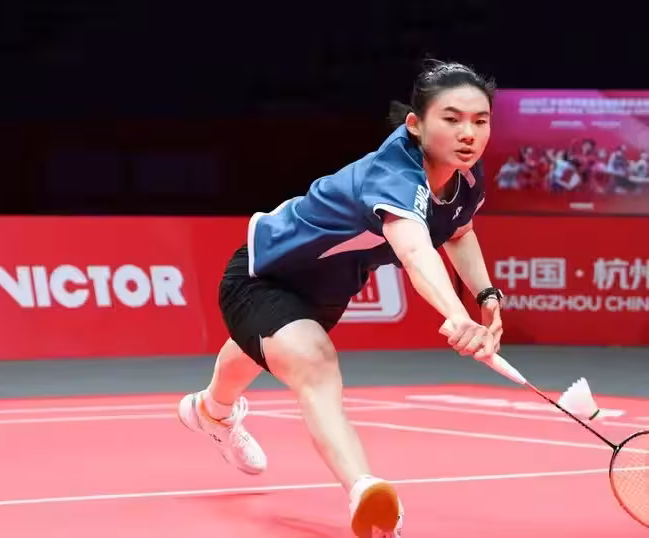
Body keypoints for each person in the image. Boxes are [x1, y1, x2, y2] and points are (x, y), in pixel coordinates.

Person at [177, 58, 504, 537]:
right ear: (415, 124)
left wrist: (486, 295)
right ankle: (365, 490)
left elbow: (458, 231)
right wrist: (457, 316)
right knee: (314, 362)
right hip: (265, 274)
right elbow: (415, 250)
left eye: (480, 121)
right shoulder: (394, 172)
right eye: (451, 119)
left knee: (261, 348)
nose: (468, 134)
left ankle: (211, 411)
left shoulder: (466, 176)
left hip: (328, 288)